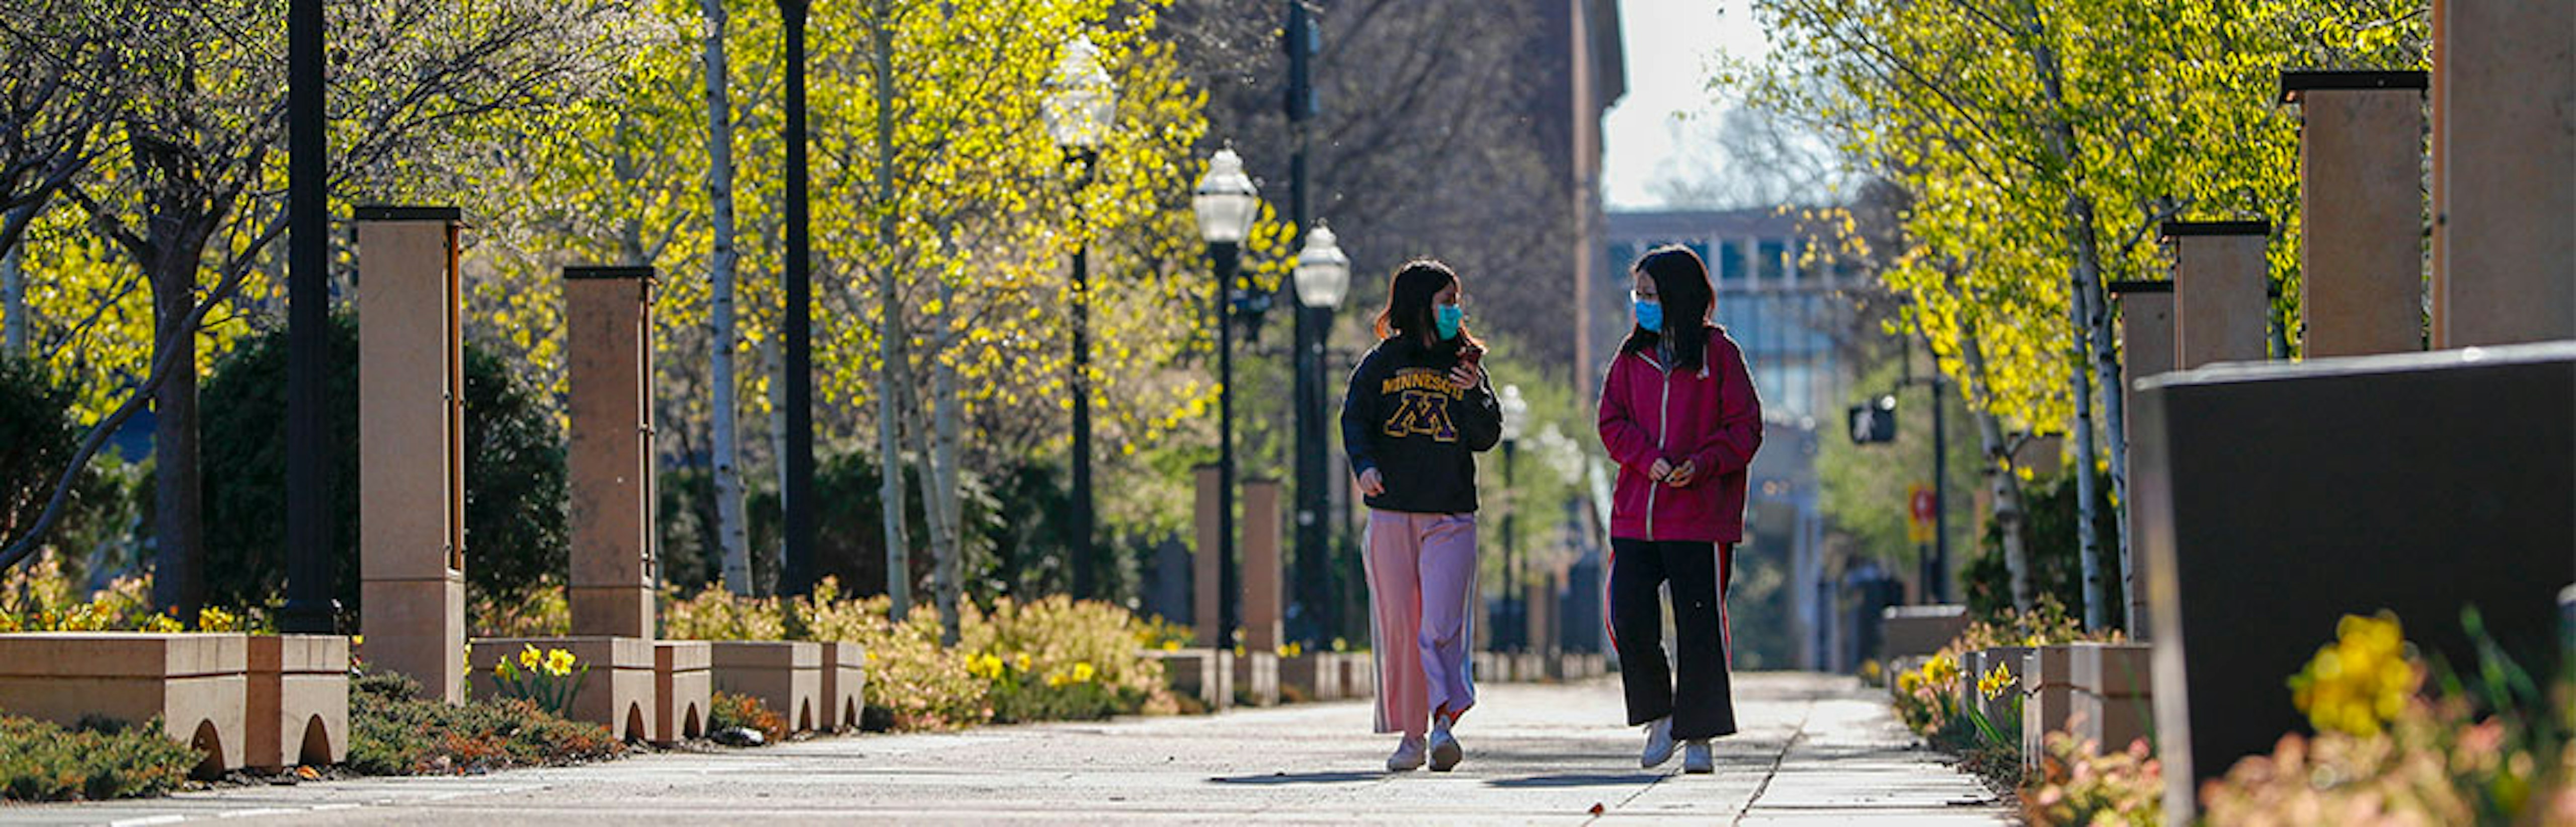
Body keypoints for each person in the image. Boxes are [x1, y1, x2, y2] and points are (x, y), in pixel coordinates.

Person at [1596, 244, 1763, 774]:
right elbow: (1611, 422)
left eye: (1651, 295)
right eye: (1638, 294)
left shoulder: (1720, 354)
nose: (1641, 304)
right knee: (1627, 614)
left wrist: (1704, 463)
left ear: (1679, 297)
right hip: (1636, 514)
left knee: (1699, 626)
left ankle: (1700, 735)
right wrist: (1648, 461)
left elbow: (1744, 428)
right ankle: (1658, 714)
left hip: (1700, 516)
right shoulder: (1629, 357)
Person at [1339, 258, 1502, 773]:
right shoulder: (1381, 363)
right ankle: (1410, 735)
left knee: (1440, 622)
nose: (1455, 311)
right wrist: (1364, 466)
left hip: (1450, 514)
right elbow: (1354, 420)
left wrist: (1473, 391)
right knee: (1398, 624)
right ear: (1418, 305)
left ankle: (1443, 724)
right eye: (1446, 301)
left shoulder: (1466, 363)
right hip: (1390, 513)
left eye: (1457, 301)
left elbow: (1486, 436)